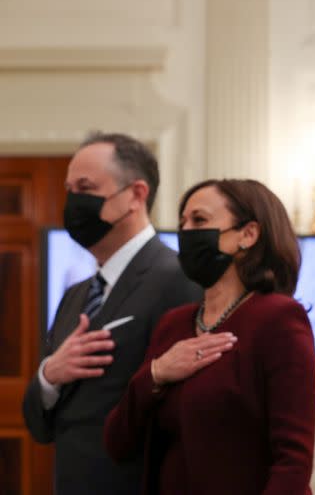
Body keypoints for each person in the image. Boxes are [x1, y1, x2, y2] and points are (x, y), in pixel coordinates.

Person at [104, 178, 315, 494]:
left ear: (248, 234)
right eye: (183, 222)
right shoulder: (173, 324)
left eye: (200, 220)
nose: (186, 232)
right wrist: (157, 373)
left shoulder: (278, 319)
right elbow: (118, 442)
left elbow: (293, 462)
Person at [22, 132, 201, 495]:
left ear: (136, 195)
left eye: (85, 187)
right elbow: (41, 426)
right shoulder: (76, 295)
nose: (73, 201)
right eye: (70, 188)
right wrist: (49, 375)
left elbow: (189, 413)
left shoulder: (179, 278)